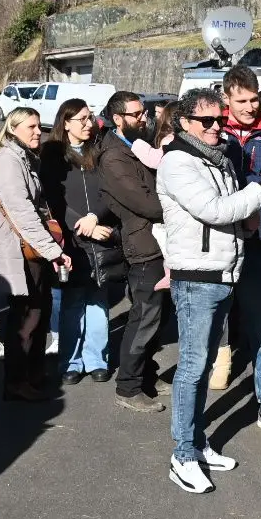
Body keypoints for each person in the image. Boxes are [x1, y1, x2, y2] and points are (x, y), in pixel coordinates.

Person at [157, 89, 261, 494]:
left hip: (222, 273)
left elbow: (232, 207)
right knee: (193, 369)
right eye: (207, 122)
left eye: (219, 119)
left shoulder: (213, 158)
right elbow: (215, 210)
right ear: (184, 124)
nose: (217, 127)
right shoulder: (179, 162)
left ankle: (198, 443)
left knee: (199, 369)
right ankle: (182, 455)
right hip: (197, 276)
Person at [0, 107, 70, 402]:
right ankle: (16, 382)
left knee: (37, 311)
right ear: (12, 129)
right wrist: (53, 251)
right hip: (18, 249)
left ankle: (31, 374)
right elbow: (22, 213)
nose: (38, 132)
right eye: (31, 126)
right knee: (25, 317)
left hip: (29, 249)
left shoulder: (22, 158)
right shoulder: (8, 161)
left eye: (38, 126)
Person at [217, 65, 261, 424]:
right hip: (218, 244)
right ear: (227, 98)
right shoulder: (215, 133)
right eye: (241, 100)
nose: (249, 106)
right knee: (209, 329)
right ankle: (198, 410)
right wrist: (260, 182)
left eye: (254, 99)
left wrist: (255, 184)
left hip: (259, 244)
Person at [98, 92, 168, 412]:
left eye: (143, 112)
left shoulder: (136, 144)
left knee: (158, 314)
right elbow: (146, 203)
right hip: (143, 244)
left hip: (157, 240)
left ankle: (146, 375)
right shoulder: (113, 157)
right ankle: (128, 387)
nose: (143, 118)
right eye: (137, 114)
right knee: (144, 316)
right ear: (118, 119)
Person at [52, 100, 126, 384]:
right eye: (81, 119)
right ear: (66, 122)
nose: (88, 123)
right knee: (71, 301)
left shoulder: (100, 153)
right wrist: (80, 225)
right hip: (71, 240)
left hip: (101, 235)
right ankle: (70, 360)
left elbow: (111, 192)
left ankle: (97, 359)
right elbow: (51, 199)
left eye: (89, 118)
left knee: (98, 300)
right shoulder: (54, 156)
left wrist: (95, 217)